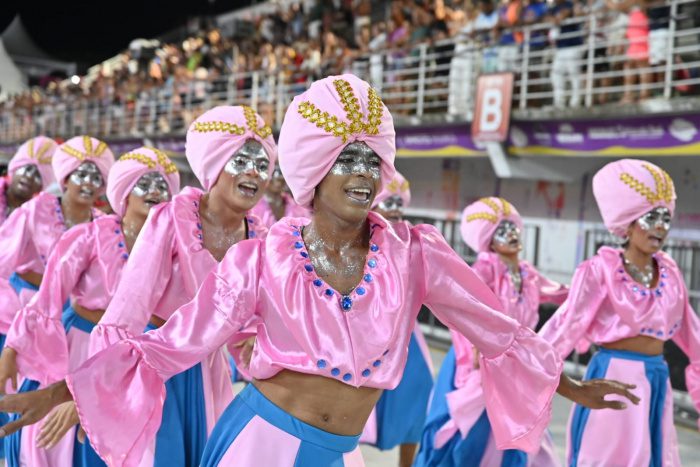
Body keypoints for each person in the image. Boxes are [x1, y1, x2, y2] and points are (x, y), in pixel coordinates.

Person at [0, 75, 638, 467]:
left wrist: (568, 385)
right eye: (347, 159)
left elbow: (497, 328)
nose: (364, 173)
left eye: (371, 160)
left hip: (340, 453)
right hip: (261, 444)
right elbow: (171, 343)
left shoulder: (414, 252)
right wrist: (62, 389)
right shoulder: (261, 258)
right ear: (314, 170)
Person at [87, 105, 271, 466]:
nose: (254, 171)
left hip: (210, 373)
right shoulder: (171, 218)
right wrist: (101, 389)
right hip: (155, 368)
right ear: (216, 163)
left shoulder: (262, 241)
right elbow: (128, 309)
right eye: (242, 160)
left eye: (263, 164)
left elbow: (248, 331)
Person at [0, 147, 179, 467]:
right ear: (125, 191)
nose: (156, 191)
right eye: (146, 183)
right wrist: (12, 351)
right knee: (63, 444)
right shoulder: (89, 236)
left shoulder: (173, 246)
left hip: (135, 356)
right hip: (80, 346)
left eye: (163, 185)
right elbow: (47, 300)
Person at [539, 159, 700, 465]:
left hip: (657, 377)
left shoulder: (670, 271)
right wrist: (559, 384)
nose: (661, 226)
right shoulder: (600, 269)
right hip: (614, 377)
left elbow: (693, 335)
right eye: (651, 217)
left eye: (666, 217)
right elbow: (563, 328)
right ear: (628, 223)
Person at [415, 197, 569, 467]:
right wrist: (473, 353)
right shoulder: (483, 270)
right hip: (479, 361)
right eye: (502, 231)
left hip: (516, 365)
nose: (511, 235)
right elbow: (464, 311)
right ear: (489, 240)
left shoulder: (528, 274)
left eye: (513, 228)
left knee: (516, 428)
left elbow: (560, 293)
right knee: (470, 430)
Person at [0, 135, 114, 363]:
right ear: (66, 178)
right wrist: (11, 313)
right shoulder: (35, 209)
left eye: (96, 177)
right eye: (82, 175)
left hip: (68, 318)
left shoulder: (104, 226)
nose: (89, 183)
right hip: (19, 305)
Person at [359, 171, 434, 467]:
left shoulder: (412, 243)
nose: (395, 211)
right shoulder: (354, 241)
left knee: (418, 390)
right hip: (364, 333)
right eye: (388, 203)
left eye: (398, 205)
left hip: (406, 334)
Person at [0, 137, 57, 224]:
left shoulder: (40, 219)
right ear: (14, 169)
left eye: (38, 174)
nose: (30, 176)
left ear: (42, 186)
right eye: (27, 168)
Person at [548, 0, 585, 107]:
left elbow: (569, 12)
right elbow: (546, 17)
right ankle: (559, 101)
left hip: (573, 45)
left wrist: (561, 16)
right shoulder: (553, 8)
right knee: (556, 74)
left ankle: (576, 101)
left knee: (574, 73)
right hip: (561, 47)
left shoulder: (571, 3)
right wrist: (553, 19)